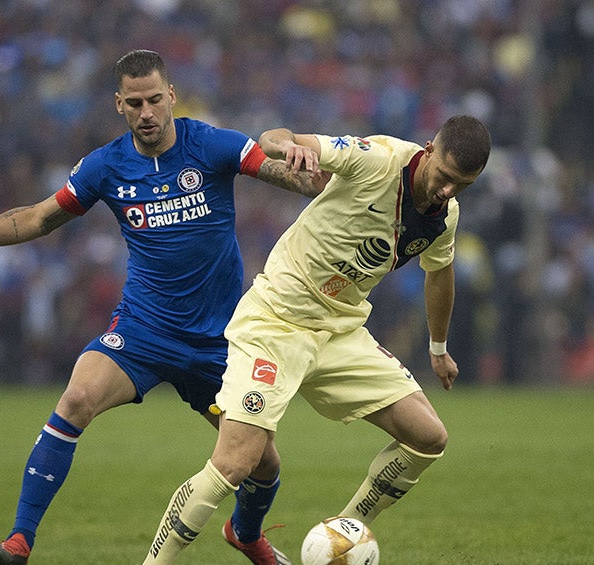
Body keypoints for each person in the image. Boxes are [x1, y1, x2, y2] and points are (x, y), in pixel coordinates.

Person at [0, 49, 325, 565]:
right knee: (77, 397)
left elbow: (275, 172)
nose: (147, 111)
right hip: (144, 331)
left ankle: (246, 534)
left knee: (262, 463)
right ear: (119, 105)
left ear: (171, 96)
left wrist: (309, 174)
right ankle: (19, 541)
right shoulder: (105, 166)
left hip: (220, 342)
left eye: (154, 99)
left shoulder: (211, 144)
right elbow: (38, 219)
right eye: (135, 103)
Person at [142, 115, 491, 563]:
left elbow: (440, 272)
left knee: (428, 437)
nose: (447, 190)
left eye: (462, 185)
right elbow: (274, 138)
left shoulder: (447, 215)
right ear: (429, 149)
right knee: (234, 463)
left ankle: (339, 545)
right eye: (444, 176)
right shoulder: (376, 160)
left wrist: (438, 348)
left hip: (340, 331)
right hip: (276, 322)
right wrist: (291, 146)